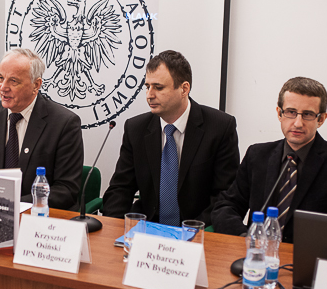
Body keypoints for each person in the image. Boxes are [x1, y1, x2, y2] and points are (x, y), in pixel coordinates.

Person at [212, 77, 327, 242]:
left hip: (307, 256)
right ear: (279, 113)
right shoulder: (257, 155)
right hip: (256, 254)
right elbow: (227, 207)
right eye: (291, 112)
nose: (298, 123)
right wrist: (246, 239)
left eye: (307, 114)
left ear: (321, 119)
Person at [102, 50, 240, 226]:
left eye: (158, 88)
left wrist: (191, 231)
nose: (149, 95)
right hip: (147, 227)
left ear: (184, 89)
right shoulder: (136, 129)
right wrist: (113, 228)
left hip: (196, 229)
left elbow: (224, 196)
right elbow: (120, 188)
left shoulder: (220, 127)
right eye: (147, 87)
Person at [0, 48, 83, 210]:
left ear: (36, 85)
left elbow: (66, 190)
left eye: (13, 81)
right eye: (1, 78)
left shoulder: (64, 123)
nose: (3, 87)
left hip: (40, 216)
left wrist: (12, 205)